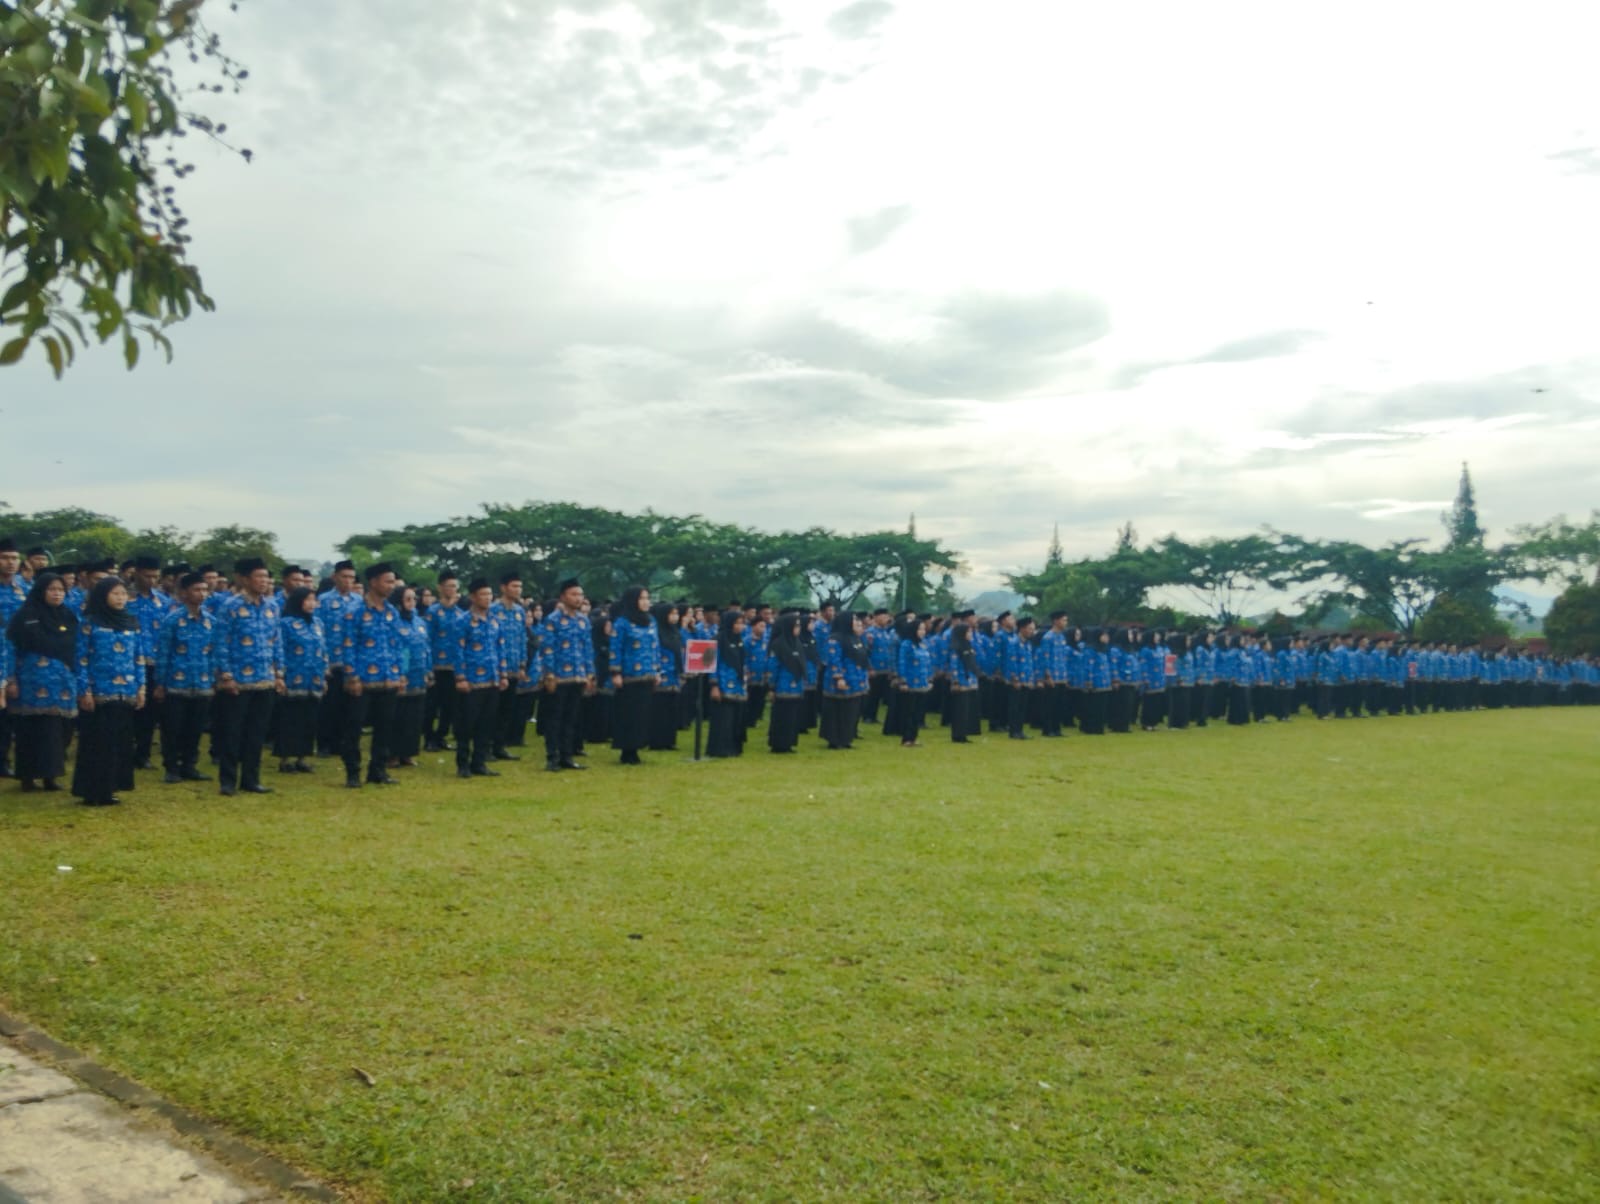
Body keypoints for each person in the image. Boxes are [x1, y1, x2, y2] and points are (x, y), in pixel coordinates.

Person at [213, 558, 283, 797]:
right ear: (243, 579)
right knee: (232, 731)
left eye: (266, 577)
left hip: (265, 678)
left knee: (256, 732)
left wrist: (279, 673)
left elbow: (277, 642)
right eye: (258, 577)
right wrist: (226, 675)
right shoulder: (230, 606)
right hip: (238, 680)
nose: (264, 581)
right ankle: (228, 780)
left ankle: (251, 779)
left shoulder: (272, 607)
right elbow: (221, 642)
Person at [71, 577, 144, 806]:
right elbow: (80, 658)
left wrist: (141, 688)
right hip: (99, 692)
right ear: (103, 596)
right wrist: (84, 690)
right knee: (97, 743)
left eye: (123, 594)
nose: (120, 598)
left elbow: (138, 658)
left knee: (119, 743)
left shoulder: (131, 622)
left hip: (125, 691)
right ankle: (92, 791)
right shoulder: (90, 622)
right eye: (115, 594)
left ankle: (110, 788)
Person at [5, 571, 77, 791]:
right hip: (32, 684)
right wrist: (10, 678)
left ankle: (50, 776)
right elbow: (11, 648)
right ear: (41, 591)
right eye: (52, 590)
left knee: (57, 731)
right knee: (31, 730)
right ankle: (28, 777)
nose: (57, 594)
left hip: (62, 684)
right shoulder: (26, 615)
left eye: (60, 590)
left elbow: (75, 645)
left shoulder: (68, 615)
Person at [336, 562, 404, 789]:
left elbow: (397, 645)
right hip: (362, 681)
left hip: (388, 679)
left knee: (385, 727)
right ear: (373, 582)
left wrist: (400, 673)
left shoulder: (392, 612)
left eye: (393, 581)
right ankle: (353, 772)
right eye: (387, 581)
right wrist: (352, 676)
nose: (391, 586)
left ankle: (378, 770)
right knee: (353, 727)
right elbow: (348, 646)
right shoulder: (354, 612)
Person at [153, 571, 221, 783]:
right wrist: (160, 683)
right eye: (196, 590)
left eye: (204, 590)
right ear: (183, 593)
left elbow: (214, 653)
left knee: (195, 728)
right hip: (176, 682)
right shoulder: (172, 620)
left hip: (202, 683)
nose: (201, 594)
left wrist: (214, 679)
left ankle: (189, 765)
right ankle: (171, 767)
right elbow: (163, 653)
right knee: (173, 728)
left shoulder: (211, 621)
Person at [451, 578, 509, 778]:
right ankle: (462, 763)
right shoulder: (463, 621)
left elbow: (500, 648)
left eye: (490, 595)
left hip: (492, 679)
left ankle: (479, 761)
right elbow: (457, 650)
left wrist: (503, 674)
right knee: (467, 723)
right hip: (472, 680)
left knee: (487, 723)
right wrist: (460, 677)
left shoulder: (494, 620)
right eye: (483, 595)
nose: (487, 598)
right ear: (473, 597)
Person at [539, 578, 594, 772]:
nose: (578, 598)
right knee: (555, 718)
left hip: (578, 675)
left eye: (580, 594)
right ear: (563, 597)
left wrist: (590, 673)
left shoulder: (583, 620)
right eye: (574, 594)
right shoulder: (553, 619)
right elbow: (547, 648)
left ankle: (567, 756)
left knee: (571, 719)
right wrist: (549, 674)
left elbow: (588, 648)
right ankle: (552, 757)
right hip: (559, 676)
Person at [274, 586, 326, 775]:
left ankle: (302, 757)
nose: (312, 604)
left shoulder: (318, 623)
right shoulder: (286, 623)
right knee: (290, 719)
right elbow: (280, 649)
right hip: (293, 677)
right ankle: (285, 758)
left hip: (313, 678)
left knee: (309, 719)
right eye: (308, 600)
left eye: (314, 600)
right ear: (298, 601)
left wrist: (323, 675)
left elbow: (323, 650)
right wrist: (280, 674)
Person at [609, 586, 659, 765]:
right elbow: (615, 648)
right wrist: (616, 672)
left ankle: (637, 748)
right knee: (628, 714)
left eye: (648, 598)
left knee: (642, 714)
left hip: (647, 674)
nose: (646, 602)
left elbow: (655, 646)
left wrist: (656, 670)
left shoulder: (651, 620)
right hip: (628, 675)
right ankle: (626, 750)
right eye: (642, 598)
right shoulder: (622, 622)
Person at [390, 585, 432, 768]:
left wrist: (428, 671)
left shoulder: (420, 622)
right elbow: (393, 649)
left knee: (414, 718)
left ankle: (408, 753)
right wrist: (398, 673)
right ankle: (392, 754)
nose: (412, 603)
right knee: (398, 716)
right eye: (408, 599)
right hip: (401, 675)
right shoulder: (393, 622)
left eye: (414, 599)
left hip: (418, 674)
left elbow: (427, 647)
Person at [491, 571, 530, 759]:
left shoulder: (519, 611)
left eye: (520, 587)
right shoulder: (492, 610)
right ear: (503, 588)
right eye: (514, 586)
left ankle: (500, 745)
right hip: (496, 668)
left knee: (507, 709)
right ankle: (487, 746)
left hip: (514, 667)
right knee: (492, 710)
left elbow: (523, 638)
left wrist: (523, 665)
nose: (518, 590)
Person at [0, 537, 31, 778]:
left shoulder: (26, 591)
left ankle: (8, 761)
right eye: (4, 558)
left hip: (22, 661)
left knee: (16, 716)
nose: (10, 563)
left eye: (13, 558)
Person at [424, 571, 465, 751]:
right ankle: (428, 738)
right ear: (440, 588)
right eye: (449, 586)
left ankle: (441, 735)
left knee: (451, 705)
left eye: (455, 586)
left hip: (454, 666)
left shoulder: (461, 614)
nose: (452, 590)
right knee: (432, 705)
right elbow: (427, 639)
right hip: (436, 665)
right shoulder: (432, 612)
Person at [820, 609, 870, 750]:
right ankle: (834, 740)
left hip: (855, 680)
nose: (856, 623)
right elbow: (834, 660)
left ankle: (846, 738)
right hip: (840, 681)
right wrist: (839, 677)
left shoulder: (855, 638)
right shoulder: (835, 639)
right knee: (837, 711)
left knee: (850, 712)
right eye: (854, 620)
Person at [705, 609, 748, 757]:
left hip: (737, 685)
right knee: (723, 719)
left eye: (742, 623)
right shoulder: (716, 639)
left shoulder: (740, 641)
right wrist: (714, 685)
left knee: (735, 719)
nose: (739, 626)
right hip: (722, 685)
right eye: (736, 623)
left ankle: (733, 748)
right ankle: (719, 749)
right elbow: (709, 664)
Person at [765, 612, 806, 753]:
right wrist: (771, 687)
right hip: (782, 686)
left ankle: (789, 743)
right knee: (781, 716)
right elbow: (773, 667)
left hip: (796, 686)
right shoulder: (778, 644)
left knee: (792, 717)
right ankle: (778, 744)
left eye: (799, 626)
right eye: (796, 626)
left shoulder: (797, 643)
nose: (798, 629)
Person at [647, 601, 683, 751]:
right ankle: (656, 741)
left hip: (674, 675)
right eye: (671, 614)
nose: (675, 617)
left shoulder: (675, 632)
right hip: (662, 674)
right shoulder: (656, 632)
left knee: (671, 709)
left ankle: (669, 740)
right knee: (659, 709)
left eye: (676, 614)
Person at [894, 616, 933, 747]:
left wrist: (929, 678)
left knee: (918, 712)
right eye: (920, 629)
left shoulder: (923, 644)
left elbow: (927, 662)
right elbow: (902, 662)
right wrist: (903, 680)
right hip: (910, 682)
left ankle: (914, 737)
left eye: (923, 629)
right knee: (909, 711)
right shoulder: (906, 644)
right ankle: (906, 738)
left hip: (922, 682)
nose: (922, 631)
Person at [944, 616, 980, 742]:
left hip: (969, 680)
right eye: (968, 632)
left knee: (966, 710)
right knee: (959, 709)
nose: (971, 634)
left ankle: (964, 733)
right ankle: (957, 735)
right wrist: (956, 681)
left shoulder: (969, 646)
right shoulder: (956, 647)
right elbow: (954, 666)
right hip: (961, 682)